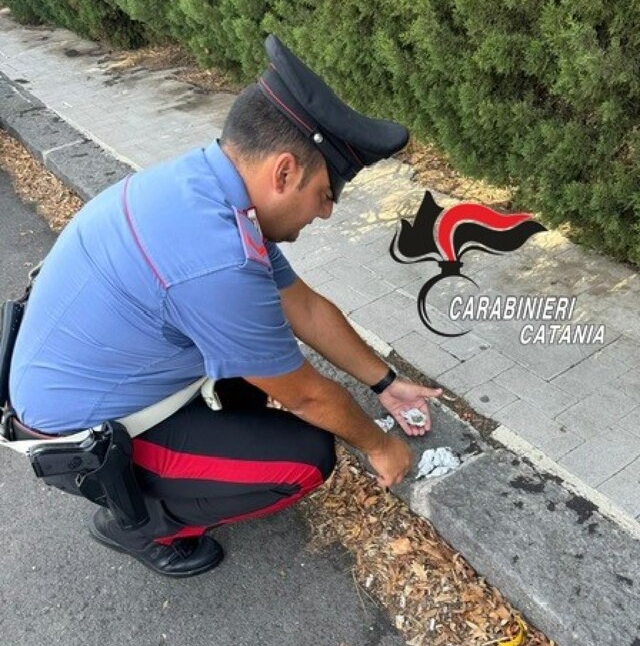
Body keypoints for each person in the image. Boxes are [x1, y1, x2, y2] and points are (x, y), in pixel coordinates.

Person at [7, 35, 442, 578]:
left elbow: (302, 307)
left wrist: (386, 383)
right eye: (326, 194)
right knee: (307, 458)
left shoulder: (204, 186)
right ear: (284, 173)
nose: (326, 214)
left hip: (84, 378)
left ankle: (196, 471)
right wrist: (380, 447)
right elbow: (307, 396)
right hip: (83, 439)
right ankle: (141, 525)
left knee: (254, 372)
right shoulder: (219, 258)